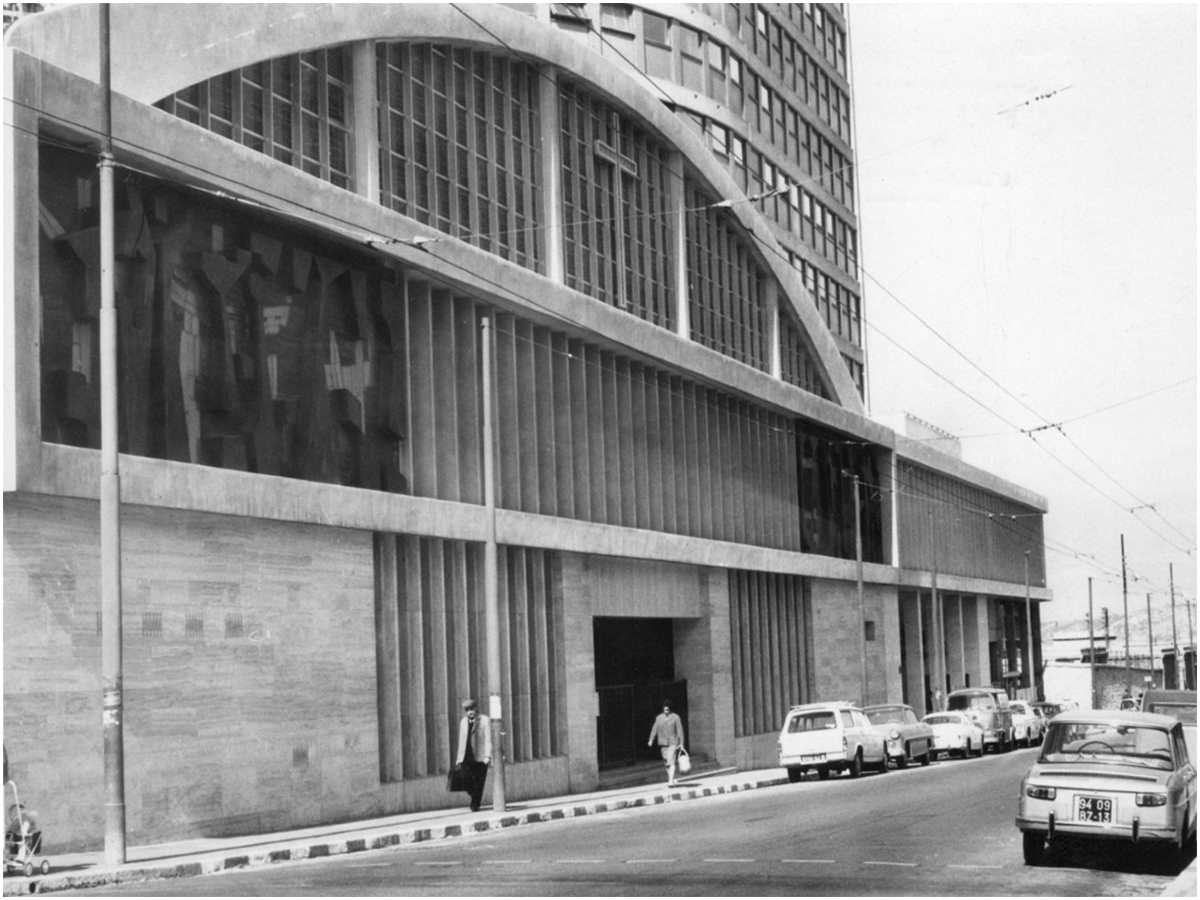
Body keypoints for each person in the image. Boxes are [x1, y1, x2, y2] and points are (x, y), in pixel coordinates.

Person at [454, 699, 492, 812]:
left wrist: (487, 756)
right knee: (466, 779)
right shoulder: (463, 722)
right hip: (467, 756)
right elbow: (461, 741)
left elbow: (488, 739)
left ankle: (475, 805)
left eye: (471, 709)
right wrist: (459, 759)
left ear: (476, 708)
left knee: (479, 781)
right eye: (467, 710)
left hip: (480, 757)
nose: (470, 712)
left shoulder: (484, 720)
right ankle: (474, 796)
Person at [647, 699, 686, 787]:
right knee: (666, 762)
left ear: (670, 709)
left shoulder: (676, 717)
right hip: (663, 743)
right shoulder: (659, 718)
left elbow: (680, 730)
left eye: (668, 710)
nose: (666, 711)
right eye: (665, 710)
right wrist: (651, 739)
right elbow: (654, 729)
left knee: (671, 760)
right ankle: (672, 778)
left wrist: (681, 743)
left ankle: (670, 781)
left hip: (673, 743)